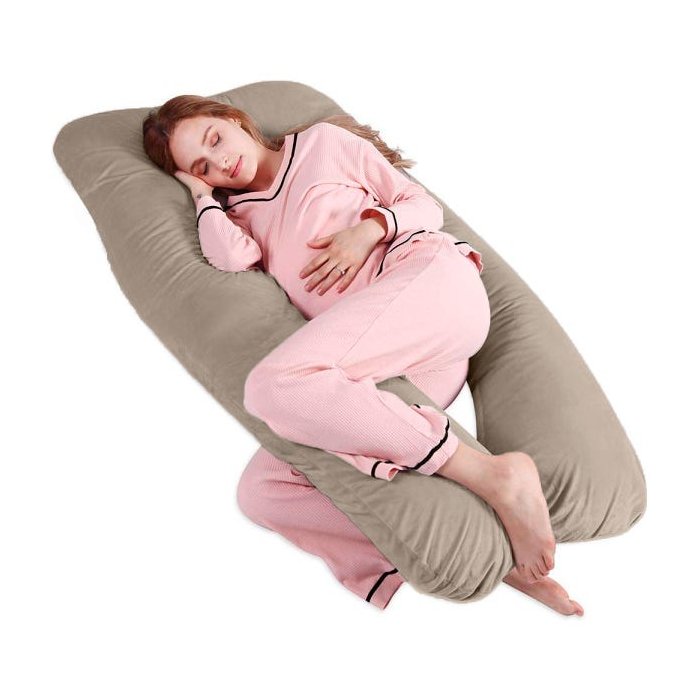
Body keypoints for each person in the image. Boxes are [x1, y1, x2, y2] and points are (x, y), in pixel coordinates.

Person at [142, 95, 583, 616]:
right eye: (202, 167)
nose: (220, 162)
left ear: (236, 120)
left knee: (270, 386)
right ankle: (492, 560)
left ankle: (493, 476)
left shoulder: (322, 145)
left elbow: (422, 205)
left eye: (215, 140)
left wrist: (367, 230)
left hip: (430, 286)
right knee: (263, 489)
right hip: (387, 366)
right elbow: (231, 257)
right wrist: (203, 197)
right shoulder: (238, 215)